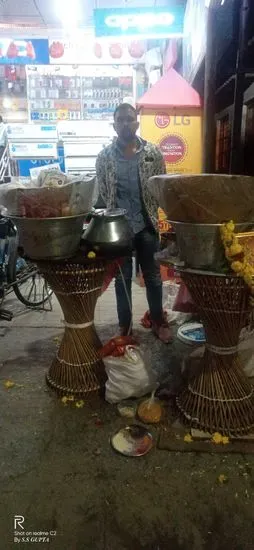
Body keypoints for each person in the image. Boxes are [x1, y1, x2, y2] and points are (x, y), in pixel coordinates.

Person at [96, 103, 172, 343]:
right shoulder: (105, 157)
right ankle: (125, 328)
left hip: (147, 224)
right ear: (114, 124)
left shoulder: (153, 153)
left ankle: (158, 322)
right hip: (119, 228)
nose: (125, 123)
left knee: (152, 276)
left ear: (137, 122)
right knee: (122, 278)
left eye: (130, 119)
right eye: (120, 119)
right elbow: (105, 191)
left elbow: (160, 187)